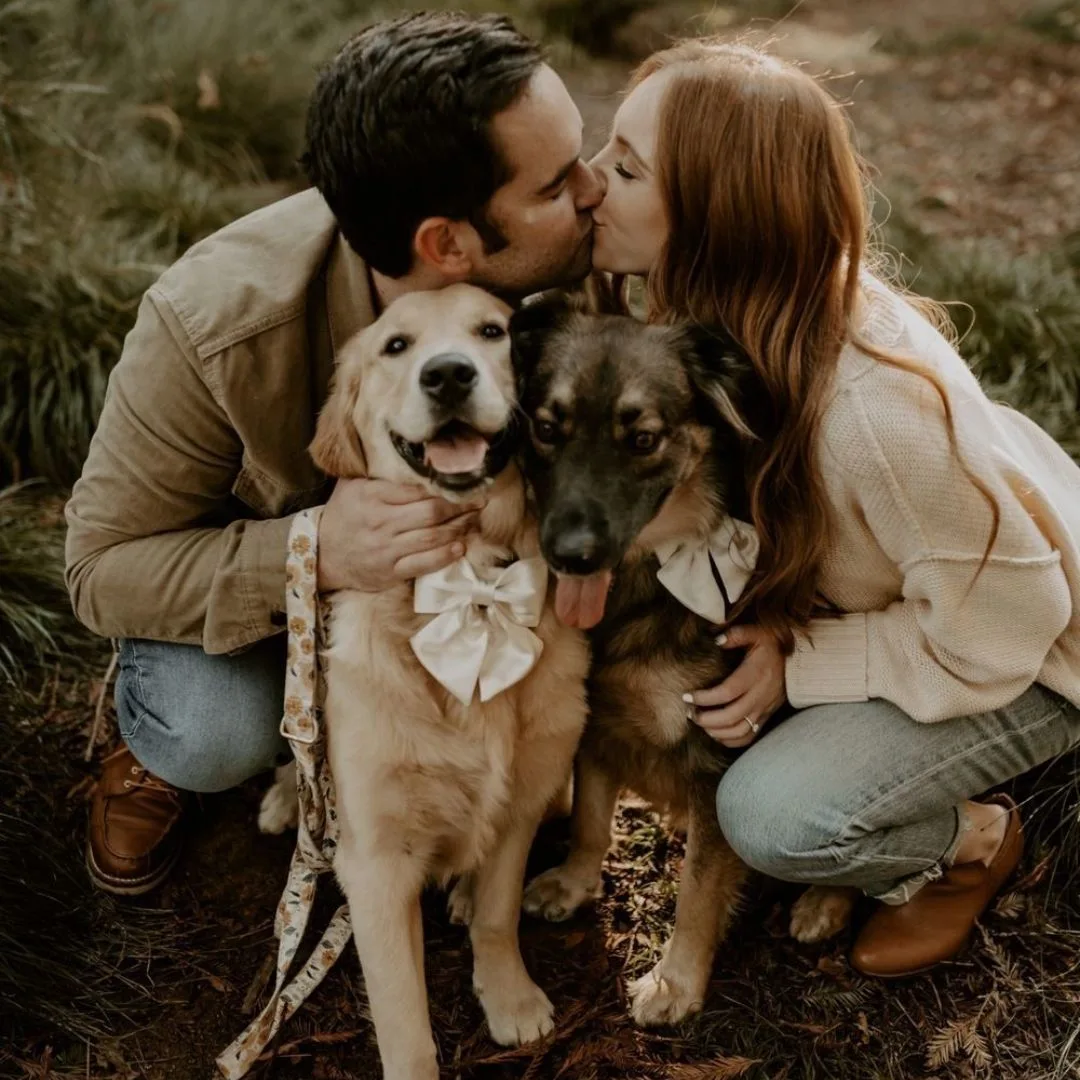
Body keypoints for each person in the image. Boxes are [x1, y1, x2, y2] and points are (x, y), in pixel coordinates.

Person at [65, 11, 602, 896]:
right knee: (212, 733)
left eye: (584, 156)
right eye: (553, 186)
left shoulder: (576, 260)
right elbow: (98, 570)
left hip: (493, 581)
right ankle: (142, 733)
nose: (592, 191)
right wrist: (313, 552)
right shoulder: (213, 323)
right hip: (275, 604)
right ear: (446, 245)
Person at [587, 39, 1080, 976]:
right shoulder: (708, 321)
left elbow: (1012, 624)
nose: (589, 181)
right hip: (915, 609)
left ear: (715, 216)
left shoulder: (874, 417)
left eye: (625, 166)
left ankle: (970, 845)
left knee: (777, 818)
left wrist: (803, 662)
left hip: (1032, 653)